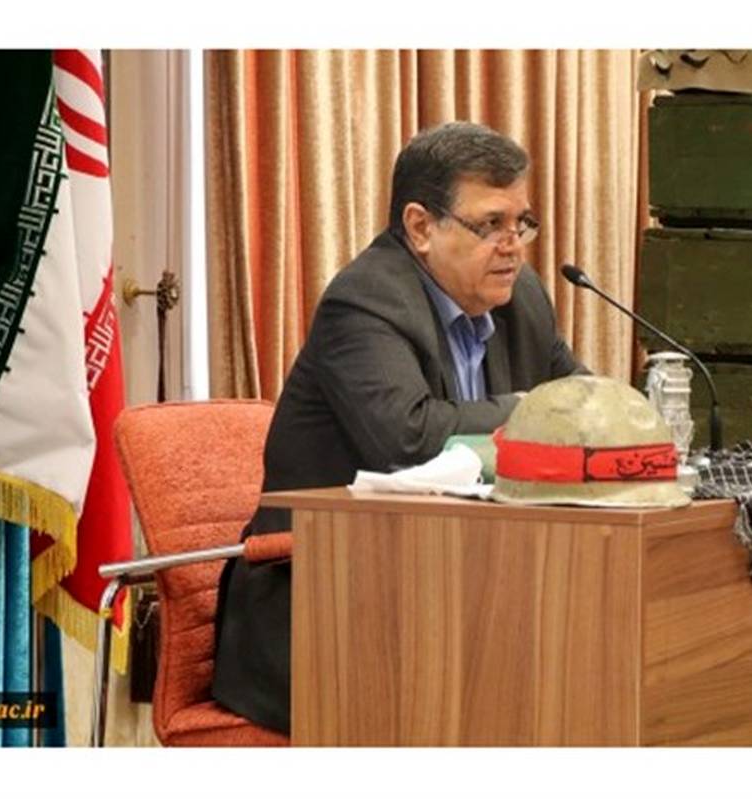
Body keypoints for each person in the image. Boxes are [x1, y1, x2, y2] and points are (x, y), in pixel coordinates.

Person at [211, 121, 587, 735]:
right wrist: (532, 410)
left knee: (574, 671)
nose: (513, 246)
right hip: (328, 604)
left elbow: (581, 402)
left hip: (457, 585)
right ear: (420, 227)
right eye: (490, 224)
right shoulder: (364, 301)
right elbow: (407, 439)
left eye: (521, 223)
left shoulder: (521, 298)